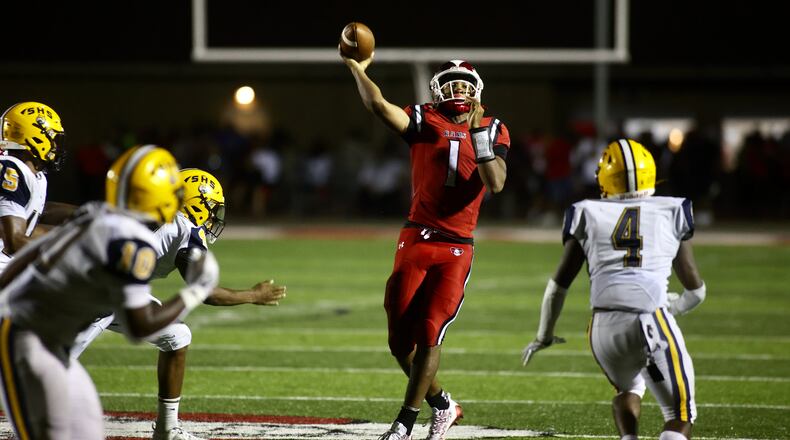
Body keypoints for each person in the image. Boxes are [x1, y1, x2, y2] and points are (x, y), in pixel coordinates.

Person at [341, 52, 510, 440]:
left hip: (457, 246)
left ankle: (404, 421)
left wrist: (479, 138)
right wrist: (356, 68)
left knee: (431, 331)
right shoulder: (424, 118)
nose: (460, 90)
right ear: (437, 89)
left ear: (478, 92)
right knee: (399, 339)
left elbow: (496, 182)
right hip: (416, 235)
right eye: (452, 83)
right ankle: (443, 404)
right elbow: (377, 105)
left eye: (467, 85)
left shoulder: (493, 127)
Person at [0, 144, 220, 440]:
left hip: (48, 341)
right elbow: (138, 325)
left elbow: (29, 256)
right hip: (31, 344)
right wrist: (196, 291)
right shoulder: (131, 242)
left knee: (86, 429)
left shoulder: (98, 213)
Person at [70, 167, 286, 440]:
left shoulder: (148, 211)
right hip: (92, 295)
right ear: (196, 203)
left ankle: (167, 429)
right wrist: (254, 295)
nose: (212, 217)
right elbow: (207, 293)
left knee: (177, 335)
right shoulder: (185, 227)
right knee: (48, 368)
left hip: (114, 290)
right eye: (211, 208)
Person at [521, 139, 706, 440]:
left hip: (602, 328)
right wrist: (675, 305)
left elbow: (557, 287)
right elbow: (695, 290)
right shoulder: (672, 209)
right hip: (649, 321)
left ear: (605, 177)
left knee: (628, 389)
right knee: (680, 415)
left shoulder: (587, 212)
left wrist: (543, 335)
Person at [0, 101, 77, 272]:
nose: (56, 146)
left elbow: (35, 222)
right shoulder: (11, 169)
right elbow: (14, 241)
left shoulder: (34, 175)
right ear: (37, 138)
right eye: (54, 139)